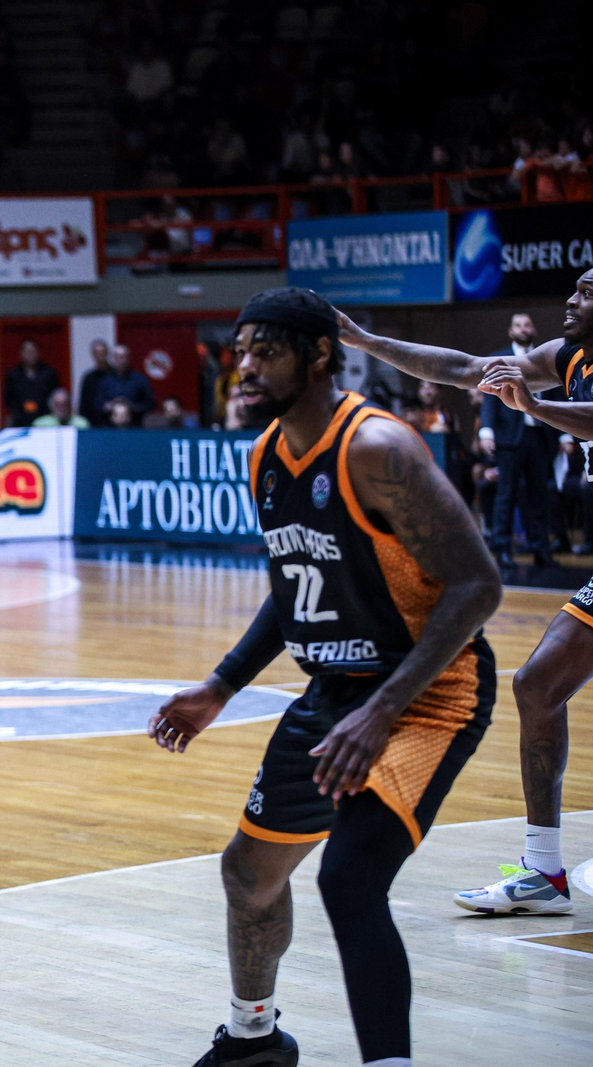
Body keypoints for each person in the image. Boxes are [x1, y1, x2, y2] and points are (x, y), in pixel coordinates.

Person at [150, 287, 502, 1067]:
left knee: (348, 880)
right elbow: (294, 583)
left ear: (317, 356)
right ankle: (254, 1040)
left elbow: (479, 584)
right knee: (249, 872)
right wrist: (222, 684)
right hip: (337, 698)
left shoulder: (380, 448)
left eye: (262, 351)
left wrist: (381, 711)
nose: (242, 368)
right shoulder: (265, 455)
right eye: (239, 351)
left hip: (428, 695)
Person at [335, 269, 593, 917]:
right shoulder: (570, 358)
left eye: (587, 291)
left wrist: (535, 410)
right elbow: (468, 365)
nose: (572, 299)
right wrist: (366, 340)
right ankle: (543, 872)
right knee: (537, 685)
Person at [477, 313, 557, 568]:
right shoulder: (499, 357)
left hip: (540, 434)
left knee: (539, 496)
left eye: (528, 325)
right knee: (506, 494)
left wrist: (566, 433)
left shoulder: (546, 357)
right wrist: (486, 430)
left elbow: (559, 395)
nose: (524, 329)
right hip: (508, 436)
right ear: (511, 331)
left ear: (533, 329)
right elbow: (489, 397)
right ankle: (502, 549)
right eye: (518, 325)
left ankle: (541, 550)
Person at [3, 339, 60, 427]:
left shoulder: (49, 373)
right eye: (27, 351)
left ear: (38, 353)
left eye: (33, 351)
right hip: (20, 420)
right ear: (21, 353)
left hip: (45, 419)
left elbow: (54, 395)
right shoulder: (13, 375)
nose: (30, 355)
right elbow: (8, 399)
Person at [95, 343, 156, 427]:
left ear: (128, 358)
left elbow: (150, 405)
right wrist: (111, 405)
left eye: (123, 357)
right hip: (109, 429)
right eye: (117, 357)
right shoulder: (105, 381)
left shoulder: (140, 380)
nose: (121, 360)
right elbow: (98, 405)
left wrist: (131, 406)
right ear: (113, 359)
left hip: (135, 427)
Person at [77, 338, 110, 427]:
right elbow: (83, 405)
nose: (100, 356)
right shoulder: (88, 378)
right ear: (93, 355)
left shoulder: (115, 375)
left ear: (107, 353)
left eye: (103, 353)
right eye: (97, 353)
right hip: (93, 424)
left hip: (112, 424)